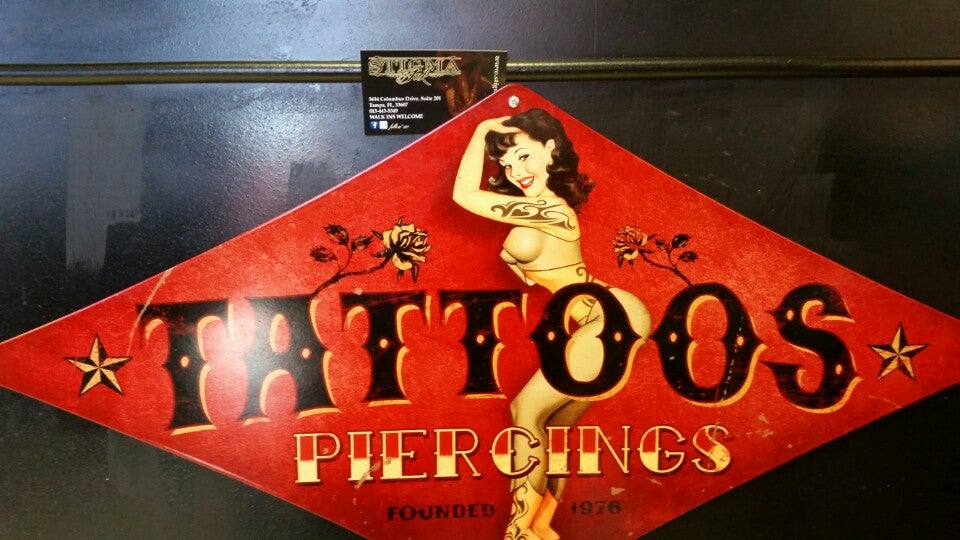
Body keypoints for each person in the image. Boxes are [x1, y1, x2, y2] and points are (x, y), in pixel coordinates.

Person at [452, 108, 651, 539]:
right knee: (556, 428)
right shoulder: (533, 210)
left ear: (550, 149)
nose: (515, 171)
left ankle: (517, 531)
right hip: (602, 315)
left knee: (525, 411)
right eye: (507, 164)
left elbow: (463, 194)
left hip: (609, 313)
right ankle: (542, 526)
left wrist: (483, 128)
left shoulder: (552, 212)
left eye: (523, 156)